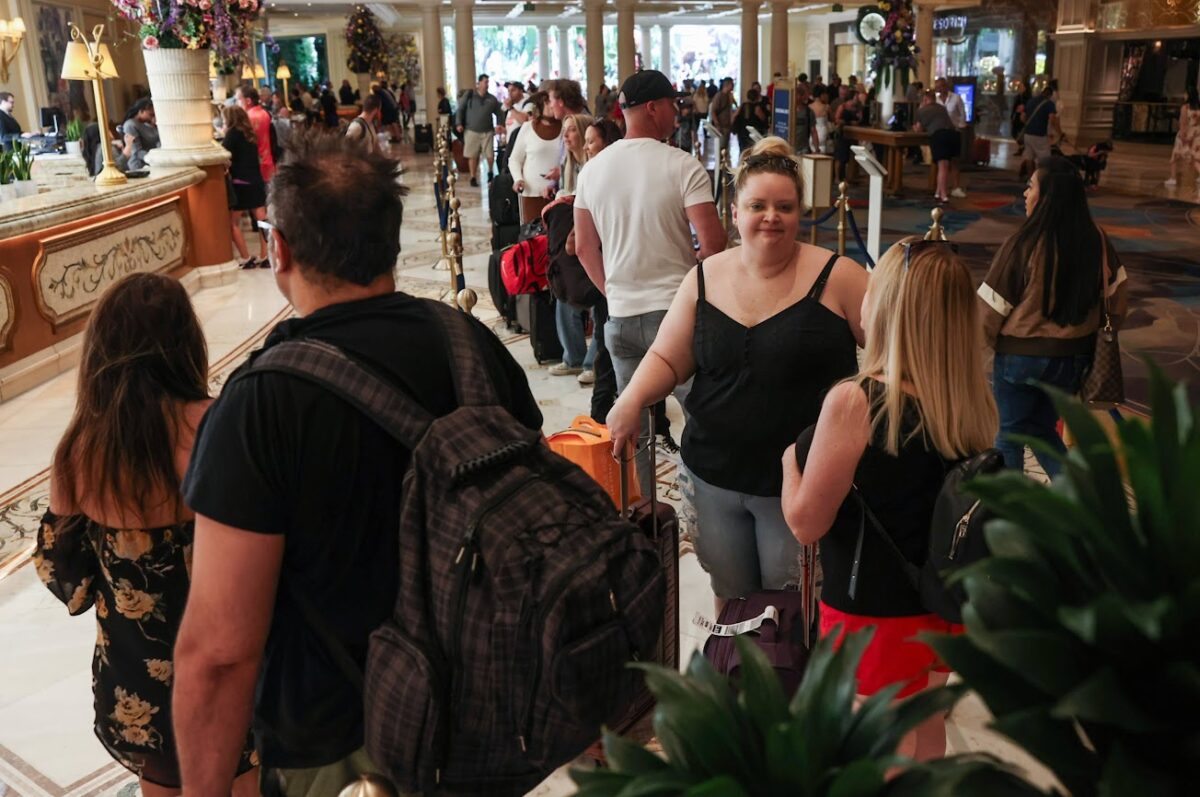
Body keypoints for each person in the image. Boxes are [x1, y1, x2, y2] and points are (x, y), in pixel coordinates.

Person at [173, 134, 542, 794]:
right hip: (489, 714)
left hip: (345, 748)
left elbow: (221, 652)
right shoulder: (472, 344)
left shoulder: (261, 407)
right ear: (391, 242)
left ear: (279, 249)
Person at [608, 137, 866, 606]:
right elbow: (668, 357)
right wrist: (629, 400)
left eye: (784, 206)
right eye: (758, 205)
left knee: (793, 610)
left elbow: (896, 353)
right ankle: (737, 679)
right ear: (735, 211)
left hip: (798, 485)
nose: (771, 216)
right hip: (712, 476)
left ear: (800, 212)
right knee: (731, 601)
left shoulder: (840, 277)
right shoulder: (704, 277)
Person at [35, 273, 259, 797]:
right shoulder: (222, 424)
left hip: (137, 683)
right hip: (230, 659)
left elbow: (70, 585)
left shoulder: (80, 453)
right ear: (186, 345)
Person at [782, 237, 999, 762]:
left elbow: (806, 523)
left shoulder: (857, 401)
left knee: (872, 749)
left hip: (872, 610)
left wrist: (790, 462)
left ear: (890, 307)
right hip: (942, 600)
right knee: (924, 726)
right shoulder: (971, 402)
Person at [574, 70, 726, 495]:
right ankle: (703, 500)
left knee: (633, 422)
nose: (678, 114)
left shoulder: (592, 170)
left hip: (620, 318)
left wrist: (616, 292)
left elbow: (585, 248)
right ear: (652, 108)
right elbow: (713, 244)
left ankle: (641, 507)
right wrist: (687, 293)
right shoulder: (681, 164)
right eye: (673, 106)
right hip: (675, 319)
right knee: (699, 415)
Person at [978, 168, 1128, 477]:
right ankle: (1076, 499)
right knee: (1042, 431)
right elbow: (1118, 295)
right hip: (1073, 360)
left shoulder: (1025, 242)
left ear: (1047, 198)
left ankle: (1010, 512)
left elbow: (990, 309)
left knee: (1009, 435)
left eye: (1030, 186)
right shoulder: (1096, 240)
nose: (1025, 193)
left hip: (1019, 358)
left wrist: (983, 350)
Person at [546, 112, 599, 382]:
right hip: (569, 234)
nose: (565, 137)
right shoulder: (568, 162)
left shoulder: (595, 165)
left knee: (597, 296)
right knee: (564, 289)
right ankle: (574, 356)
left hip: (593, 235)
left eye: (571, 131)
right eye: (564, 131)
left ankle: (593, 362)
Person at [221, 106, 269, 270]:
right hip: (256, 180)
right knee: (262, 220)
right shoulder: (250, 134)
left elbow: (223, 155)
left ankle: (245, 257)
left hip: (240, 182)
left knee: (232, 223)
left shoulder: (232, 134)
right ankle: (266, 256)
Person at [508, 92, 562, 223]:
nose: (551, 105)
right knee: (533, 237)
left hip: (559, 193)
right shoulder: (528, 128)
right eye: (547, 102)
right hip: (531, 192)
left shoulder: (566, 127)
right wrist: (518, 179)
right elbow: (515, 159)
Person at [456, 73, 505, 186]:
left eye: (488, 82)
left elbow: (499, 112)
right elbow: (460, 109)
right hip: (471, 130)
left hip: (487, 131)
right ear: (478, 84)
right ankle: (473, 177)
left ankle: (490, 172)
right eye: (485, 82)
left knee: (490, 154)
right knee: (473, 155)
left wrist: (500, 125)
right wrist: (458, 123)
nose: (487, 85)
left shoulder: (491, 99)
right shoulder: (469, 96)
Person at [913, 90, 958, 204]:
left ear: (925, 100)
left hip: (939, 136)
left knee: (942, 166)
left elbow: (918, 129)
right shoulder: (942, 108)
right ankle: (938, 192)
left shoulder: (922, 111)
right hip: (952, 135)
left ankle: (943, 195)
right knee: (946, 165)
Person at [934, 77, 967, 198]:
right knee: (942, 162)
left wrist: (961, 128)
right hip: (940, 133)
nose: (940, 89)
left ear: (946, 86)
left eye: (942, 86)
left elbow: (962, 114)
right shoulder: (936, 100)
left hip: (954, 132)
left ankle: (956, 186)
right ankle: (940, 187)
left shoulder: (956, 98)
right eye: (937, 87)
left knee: (954, 161)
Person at [1165, 85, 1200, 199]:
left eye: (1185, 93)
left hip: (1185, 136)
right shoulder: (1198, 108)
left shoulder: (1185, 108)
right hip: (1197, 136)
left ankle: (1173, 178)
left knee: (1174, 157)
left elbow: (1183, 123)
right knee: (1195, 158)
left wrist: (1183, 137)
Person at [1020, 81, 1060, 180]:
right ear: (1050, 95)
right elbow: (1052, 119)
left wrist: (1030, 125)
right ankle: (1040, 179)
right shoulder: (1049, 104)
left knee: (1029, 157)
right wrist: (1059, 132)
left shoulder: (1030, 101)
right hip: (1040, 135)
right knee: (1044, 159)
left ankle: (1030, 178)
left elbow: (1023, 117)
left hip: (1028, 134)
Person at [238, 86, 276, 183]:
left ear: (248, 101)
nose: (237, 103)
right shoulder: (264, 113)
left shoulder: (248, 117)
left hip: (256, 163)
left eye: (239, 99)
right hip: (268, 160)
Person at [122, 98, 160, 171]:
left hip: (150, 161)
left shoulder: (147, 124)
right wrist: (155, 158)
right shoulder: (130, 125)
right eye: (151, 114)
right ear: (141, 111)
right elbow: (136, 151)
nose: (153, 117)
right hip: (138, 164)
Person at [733, 88, 768, 155]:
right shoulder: (757, 107)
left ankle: (742, 163)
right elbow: (763, 119)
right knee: (753, 151)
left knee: (743, 151)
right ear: (757, 97)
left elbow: (734, 116)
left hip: (742, 132)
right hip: (754, 133)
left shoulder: (742, 105)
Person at [709, 77, 735, 148]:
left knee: (725, 147)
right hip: (721, 126)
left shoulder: (729, 96)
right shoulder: (719, 96)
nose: (733, 85)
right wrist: (717, 124)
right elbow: (713, 111)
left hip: (727, 126)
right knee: (721, 147)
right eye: (732, 84)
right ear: (727, 84)